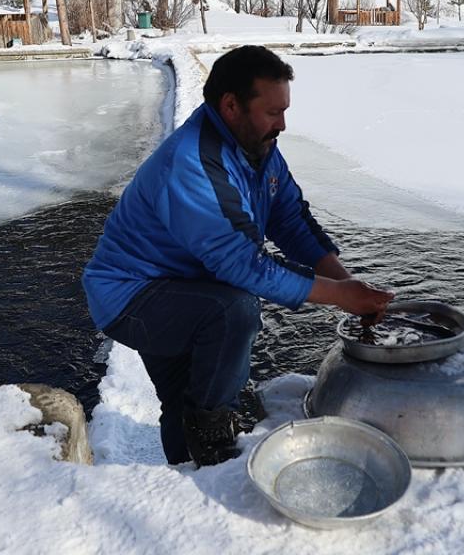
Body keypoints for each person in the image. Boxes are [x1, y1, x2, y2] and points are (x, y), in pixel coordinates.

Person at [82, 45, 394, 467]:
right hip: (132, 296)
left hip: (183, 282)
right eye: (272, 112)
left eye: (284, 110)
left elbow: (290, 220)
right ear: (230, 105)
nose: (282, 124)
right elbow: (242, 264)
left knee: (183, 397)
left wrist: (347, 284)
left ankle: (188, 476)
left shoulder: (256, 146)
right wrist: (340, 296)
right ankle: (214, 449)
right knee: (233, 312)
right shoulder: (191, 165)